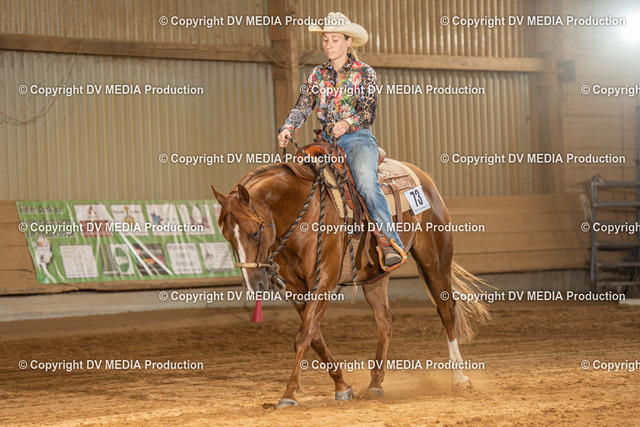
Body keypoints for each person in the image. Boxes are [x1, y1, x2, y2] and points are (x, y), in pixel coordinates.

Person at [277, 12, 405, 268]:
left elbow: (368, 112)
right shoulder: (316, 75)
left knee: (366, 182)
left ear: (348, 41)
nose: (329, 44)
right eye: (325, 39)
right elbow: (303, 106)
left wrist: (347, 123)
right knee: (296, 176)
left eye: (335, 39)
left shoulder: (364, 73)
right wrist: (288, 127)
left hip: (357, 139)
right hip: (325, 141)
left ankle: (389, 242)